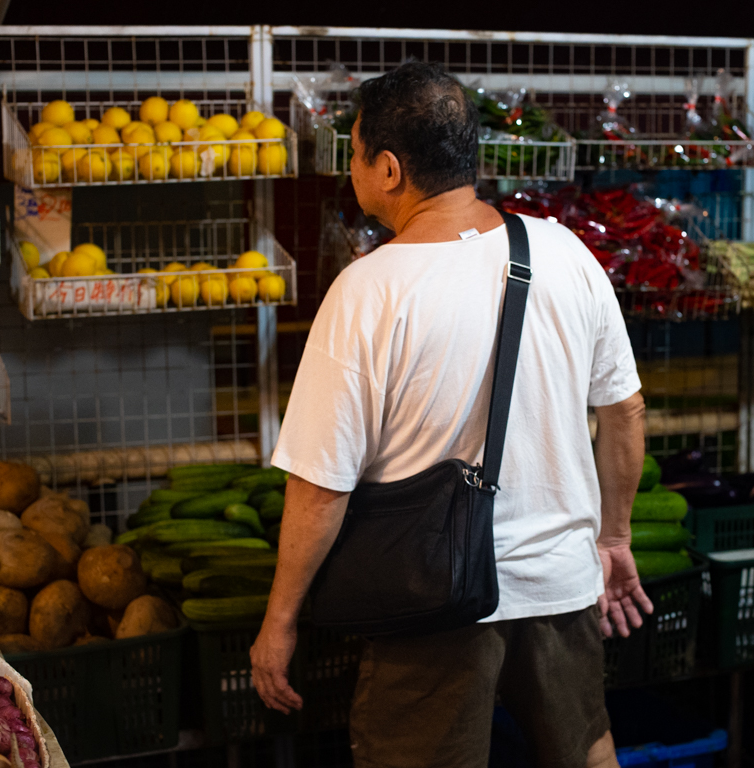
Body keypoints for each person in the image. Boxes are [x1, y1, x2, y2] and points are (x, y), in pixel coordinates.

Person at [250, 61, 652, 768]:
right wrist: (613, 538)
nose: (352, 168)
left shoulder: (367, 293)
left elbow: (320, 487)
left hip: (431, 597)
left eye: (353, 152)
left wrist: (279, 620)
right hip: (561, 584)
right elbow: (624, 411)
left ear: (390, 169)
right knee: (587, 749)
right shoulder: (562, 250)